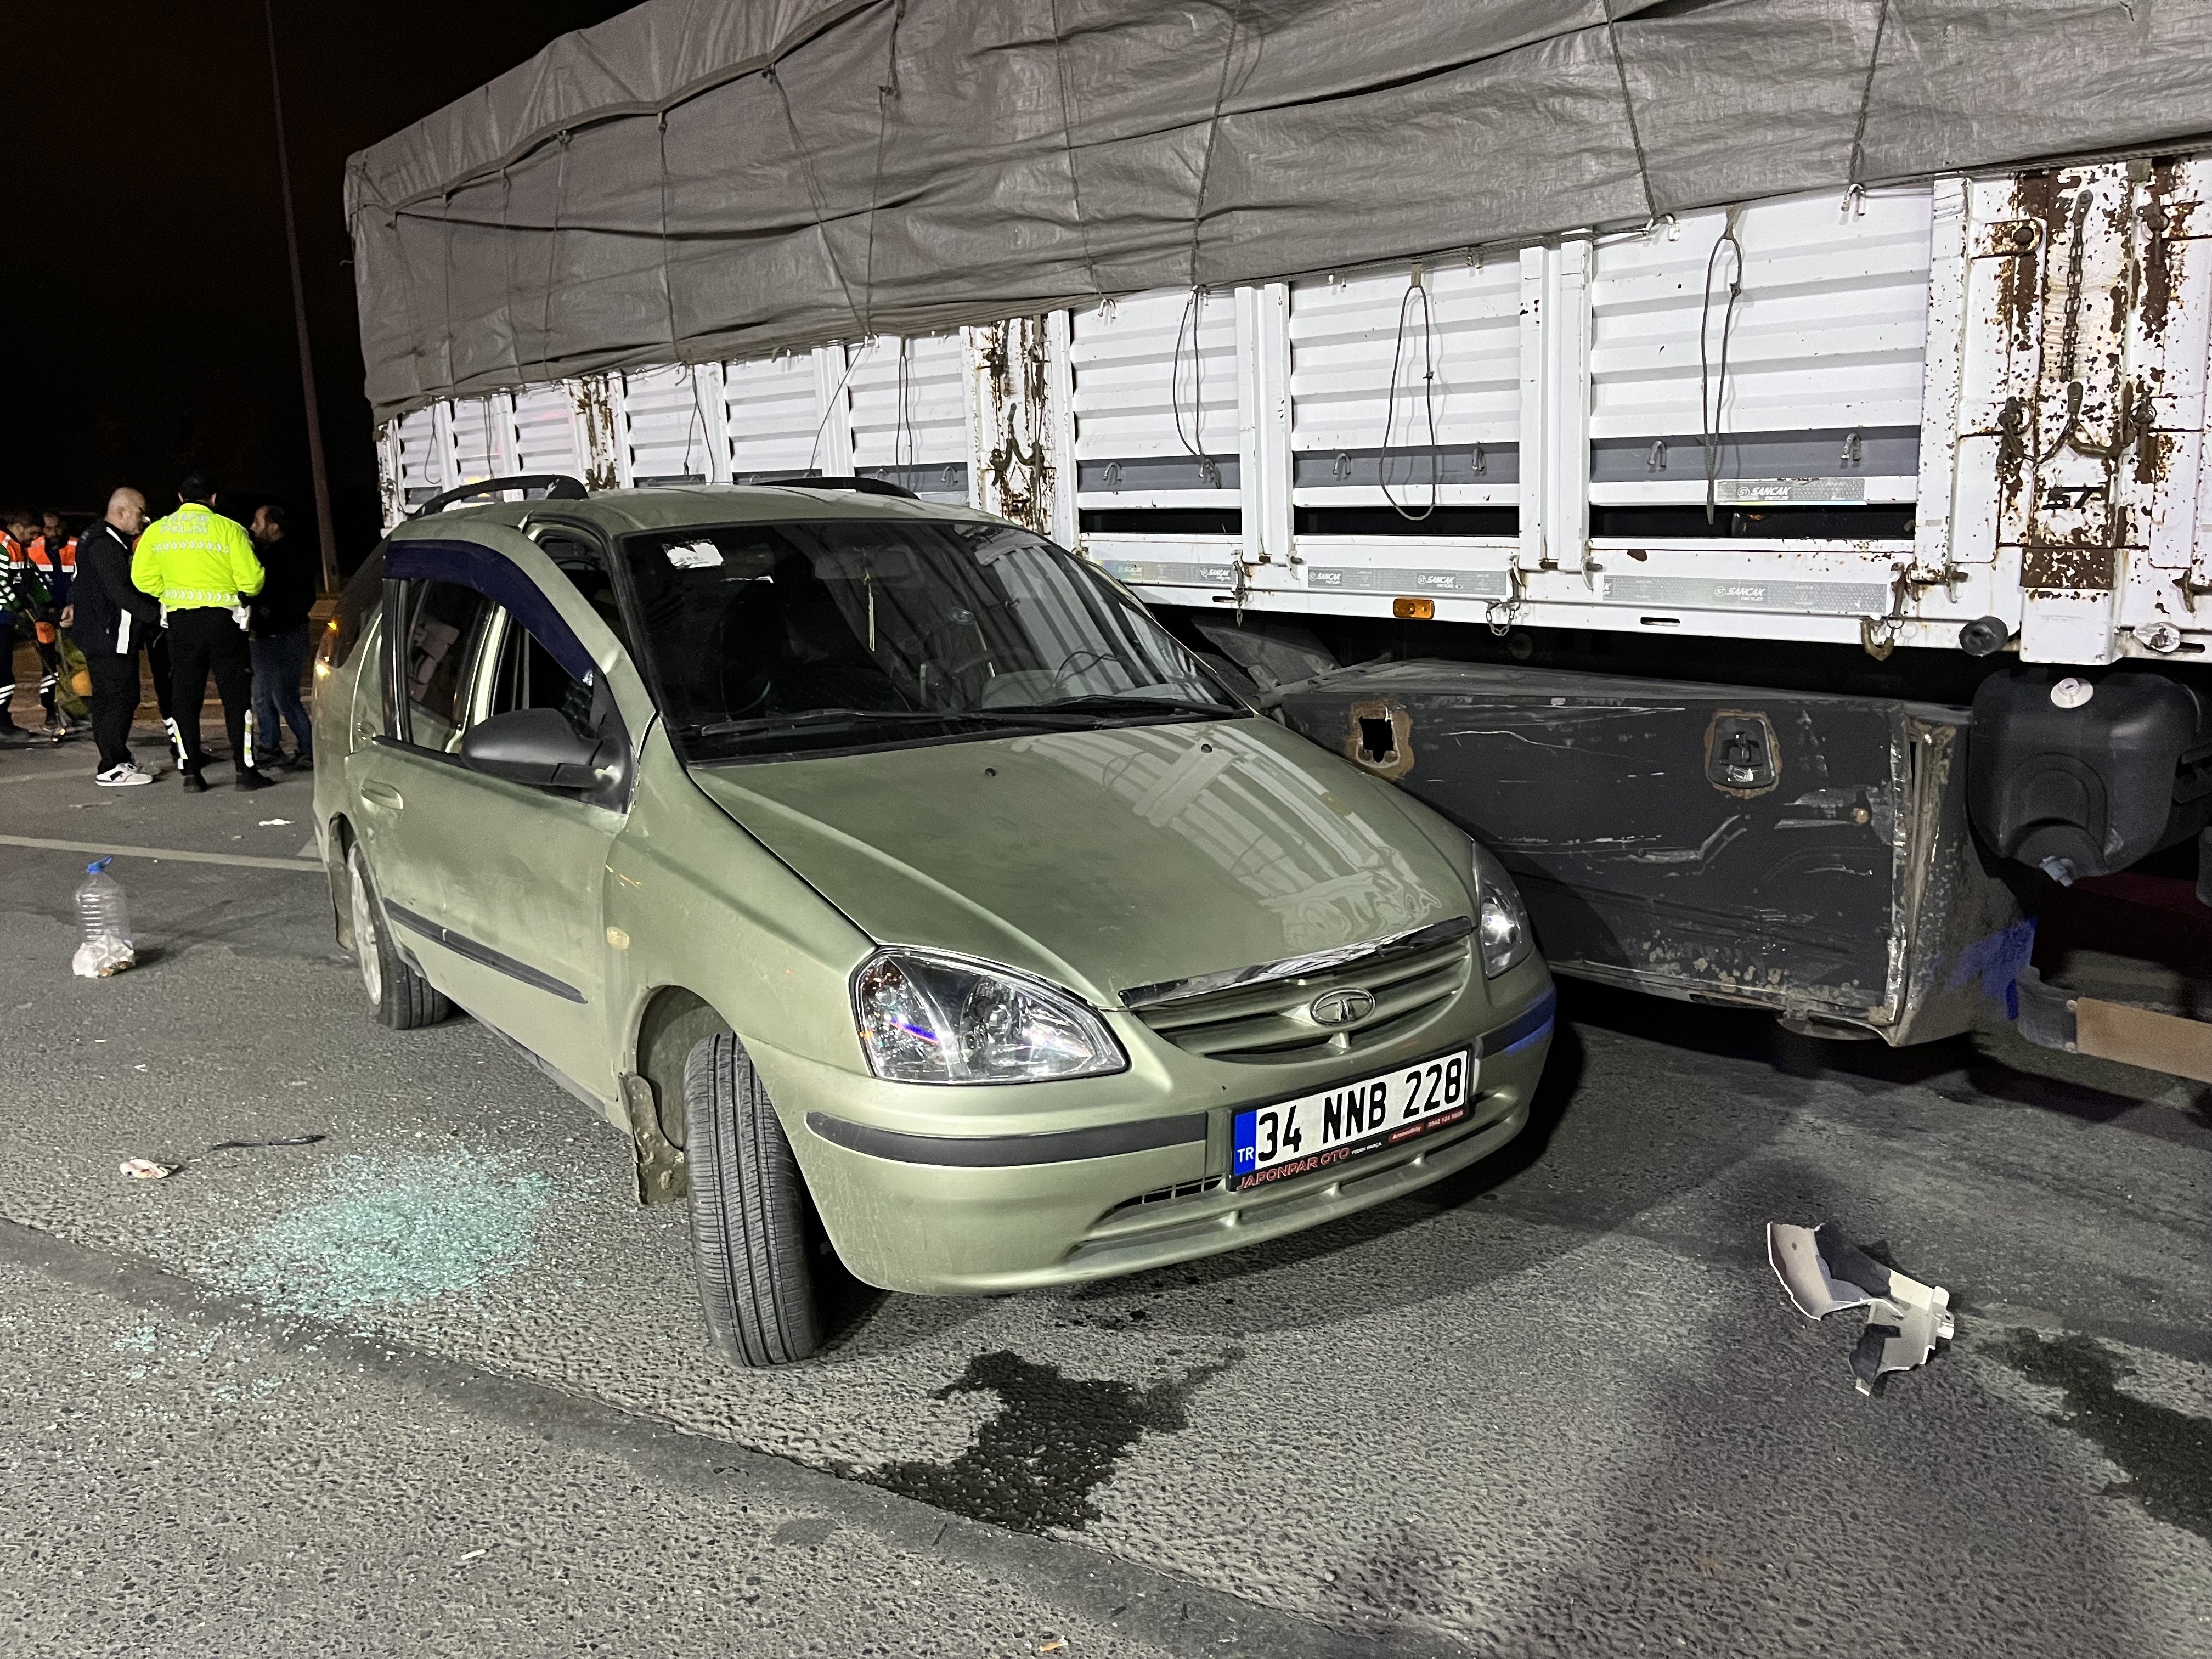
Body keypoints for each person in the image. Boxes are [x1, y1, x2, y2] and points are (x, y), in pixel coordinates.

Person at [131, 472, 270, 793]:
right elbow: (251, 581)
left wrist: (170, 594)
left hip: (181, 626)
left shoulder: (157, 532)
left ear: (180, 499)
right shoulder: (230, 530)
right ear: (214, 499)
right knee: (236, 700)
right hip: (225, 625)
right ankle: (245, 772)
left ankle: (192, 773)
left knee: (184, 699)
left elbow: (142, 580)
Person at [69, 488, 166, 784]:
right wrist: (160, 616)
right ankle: (112, 766)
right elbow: (119, 591)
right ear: (121, 511)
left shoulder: (96, 538)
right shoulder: (105, 543)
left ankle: (119, 759)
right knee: (117, 699)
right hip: (109, 636)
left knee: (118, 697)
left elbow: (86, 584)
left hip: (104, 633)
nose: (144, 519)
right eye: (140, 512)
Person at [246, 503, 314, 770]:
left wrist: (268, 615)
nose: (253, 527)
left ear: (274, 527)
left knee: (284, 697)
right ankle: (271, 746)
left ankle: (308, 749)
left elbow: (297, 599)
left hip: (282, 635)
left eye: (258, 522)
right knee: (263, 696)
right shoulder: (275, 554)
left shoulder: (283, 557)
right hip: (273, 634)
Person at [1, 510, 63, 742]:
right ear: (18, 526)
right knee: (2, 674)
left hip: (6, 619)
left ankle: (3, 721)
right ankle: (2, 723)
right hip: (2, 617)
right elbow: (1, 584)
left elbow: (32, 579)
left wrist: (47, 604)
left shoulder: (20, 550)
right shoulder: (3, 544)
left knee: (5, 671)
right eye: (34, 533)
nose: (36, 538)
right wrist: (17, 610)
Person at [27, 511, 87, 738]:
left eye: (58, 528)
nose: (53, 533)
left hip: (73, 617)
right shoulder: (33, 549)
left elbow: (83, 582)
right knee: (50, 667)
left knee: (78, 664)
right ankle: (51, 711)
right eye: (48, 529)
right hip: (44, 618)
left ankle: (79, 708)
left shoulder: (78, 546)